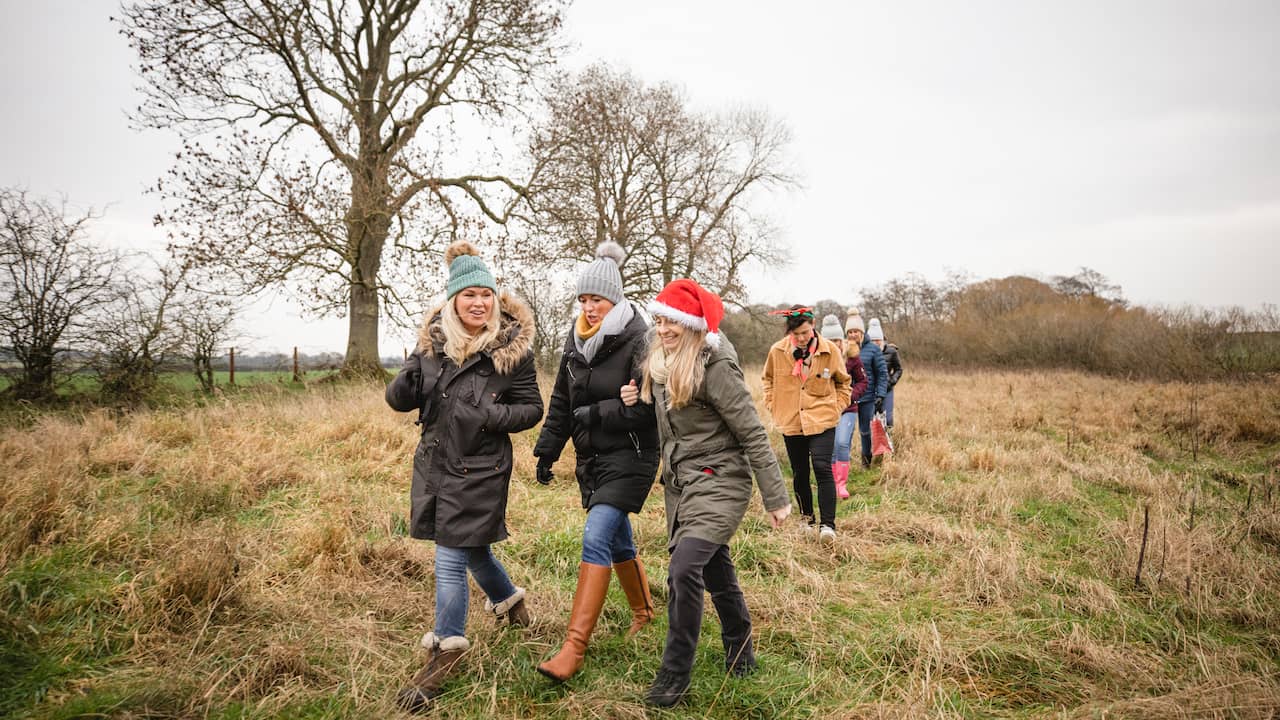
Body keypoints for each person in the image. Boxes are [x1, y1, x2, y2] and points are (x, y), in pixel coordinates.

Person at [385, 241, 544, 714]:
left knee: (450, 558)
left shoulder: (512, 352)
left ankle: (443, 653)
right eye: (469, 294)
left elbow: (532, 409)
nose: (479, 302)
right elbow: (399, 401)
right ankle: (513, 607)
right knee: (471, 548)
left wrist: (489, 416)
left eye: (486, 294)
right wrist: (408, 375)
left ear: (496, 298)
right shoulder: (432, 346)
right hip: (435, 465)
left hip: (481, 469)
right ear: (453, 300)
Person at [622, 278, 791, 708]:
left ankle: (674, 673)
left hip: (721, 479)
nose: (663, 329)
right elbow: (674, 420)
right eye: (659, 321)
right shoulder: (661, 364)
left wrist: (775, 497)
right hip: (682, 484)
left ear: (693, 325)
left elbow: (752, 432)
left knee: (683, 569)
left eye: (672, 323)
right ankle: (741, 648)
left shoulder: (715, 367)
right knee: (714, 567)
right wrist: (637, 400)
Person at [532, 242, 661, 682]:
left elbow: (650, 409)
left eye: (598, 300)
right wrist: (549, 449)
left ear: (616, 299)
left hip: (633, 453)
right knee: (619, 540)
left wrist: (597, 413)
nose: (589, 308)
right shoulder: (575, 340)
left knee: (596, 535)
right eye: (583, 299)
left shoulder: (641, 340)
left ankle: (573, 649)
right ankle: (644, 612)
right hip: (593, 458)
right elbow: (563, 401)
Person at [761, 306, 852, 543]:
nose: (801, 338)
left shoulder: (829, 351)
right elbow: (767, 380)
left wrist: (837, 406)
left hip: (822, 419)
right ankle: (807, 520)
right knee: (800, 471)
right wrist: (773, 404)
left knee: (822, 467)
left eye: (805, 332)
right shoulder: (777, 351)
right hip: (791, 419)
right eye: (796, 334)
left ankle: (828, 526)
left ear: (813, 326)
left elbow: (844, 383)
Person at [824, 314, 867, 499]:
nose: (835, 344)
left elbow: (863, 382)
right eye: (830, 341)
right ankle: (832, 483)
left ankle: (842, 484)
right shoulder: (821, 359)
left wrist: (851, 396)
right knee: (831, 446)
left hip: (848, 408)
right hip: (827, 409)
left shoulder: (852, 358)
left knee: (842, 442)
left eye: (837, 340)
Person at [845, 310, 888, 469]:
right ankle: (843, 462)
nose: (853, 335)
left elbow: (882, 373)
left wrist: (880, 394)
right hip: (847, 397)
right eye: (850, 332)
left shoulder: (873, 350)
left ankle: (866, 460)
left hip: (868, 397)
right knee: (846, 431)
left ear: (861, 332)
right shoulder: (844, 349)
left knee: (865, 430)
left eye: (855, 331)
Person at [871, 321, 903, 428]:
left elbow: (899, 369)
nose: (876, 342)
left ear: (882, 338)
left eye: (878, 339)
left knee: (888, 420)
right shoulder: (866, 352)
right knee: (873, 419)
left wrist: (892, 381)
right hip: (871, 391)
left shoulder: (892, 352)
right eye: (873, 340)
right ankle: (874, 443)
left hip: (887, 389)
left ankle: (889, 442)